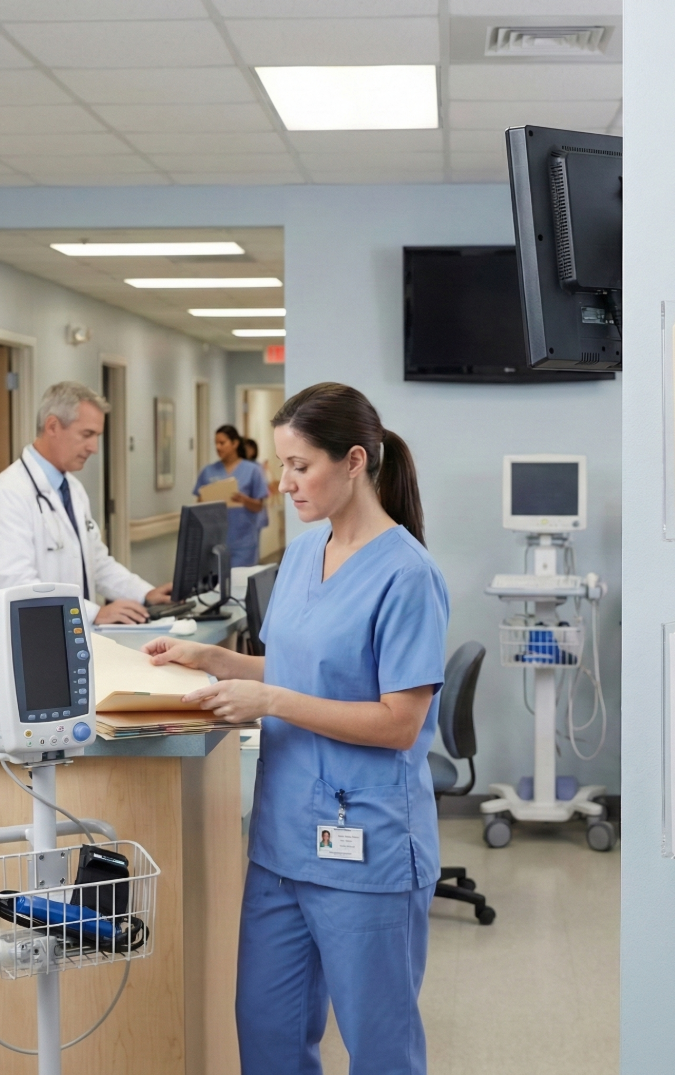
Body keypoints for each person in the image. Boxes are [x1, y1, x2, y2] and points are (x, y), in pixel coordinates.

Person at [143, 382, 448, 1075]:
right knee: (269, 1037)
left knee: (379, 1050)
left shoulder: (406, 575)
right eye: (281, 466)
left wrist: (271, 702)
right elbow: (302, 667)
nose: (284, 484)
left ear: (355, 462)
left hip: (367, 849)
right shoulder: (305, 556)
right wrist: (220, 659)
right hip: (283, 844)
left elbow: (400, 722)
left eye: (300, 466)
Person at [0, 381, 173, 624]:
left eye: (97, 436)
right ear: (52, 426)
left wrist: (143, 593)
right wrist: (94, 613)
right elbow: (18, 584)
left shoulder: (72, 489)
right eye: (87, 434)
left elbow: (97, 562)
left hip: (67, 634)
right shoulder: (8, 493)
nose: (94, 448)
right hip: (28, 638)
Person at [193, 424, 268, 567]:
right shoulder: (208, 471)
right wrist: (204, 500)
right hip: (214, 542)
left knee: (240, 584)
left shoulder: (252, 470)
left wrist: (244, 500)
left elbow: (259, 506)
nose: (218, 447)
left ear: (235, 443)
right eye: (216, 443)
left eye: (222, 443)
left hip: (243, 541)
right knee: (216, 585)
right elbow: (198, 504)